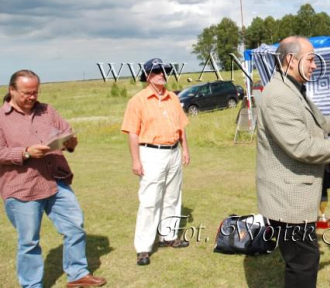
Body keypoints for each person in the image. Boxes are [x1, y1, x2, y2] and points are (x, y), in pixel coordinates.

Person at [255, 36, 330, 288]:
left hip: (296, 198)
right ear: (290, 60)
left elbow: (318, 127)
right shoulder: (279, 96)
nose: (315, 65)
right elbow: (301, 146)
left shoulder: (292, 89)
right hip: (288, 200)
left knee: (304, 258)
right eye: (310, 59)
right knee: (303, 262)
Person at [0, 70, 106, 288]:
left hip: (56, 181)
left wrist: (70, 142)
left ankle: (77, 274)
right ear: (11, 90)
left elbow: (66, 132)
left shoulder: (47, 110)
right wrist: (26, 152)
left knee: (75, 227)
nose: (32, 97)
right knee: (29, 241)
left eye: (35, 92)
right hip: (22, 188)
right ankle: (31, 285)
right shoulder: (1, 119)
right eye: (26, 93)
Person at [121, 58, 191, 266]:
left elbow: (181, 127)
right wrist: (135, 161)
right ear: (147, 76)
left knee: (172, 196)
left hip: (173, 152)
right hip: (151, 153)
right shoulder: (138, 101)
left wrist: (185, 149)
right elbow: (132, 133)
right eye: (157, 71)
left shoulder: (172, 98)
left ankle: (168, 236)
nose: (162, 74)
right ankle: (143, 248)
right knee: (150, 200)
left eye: (164, 71)